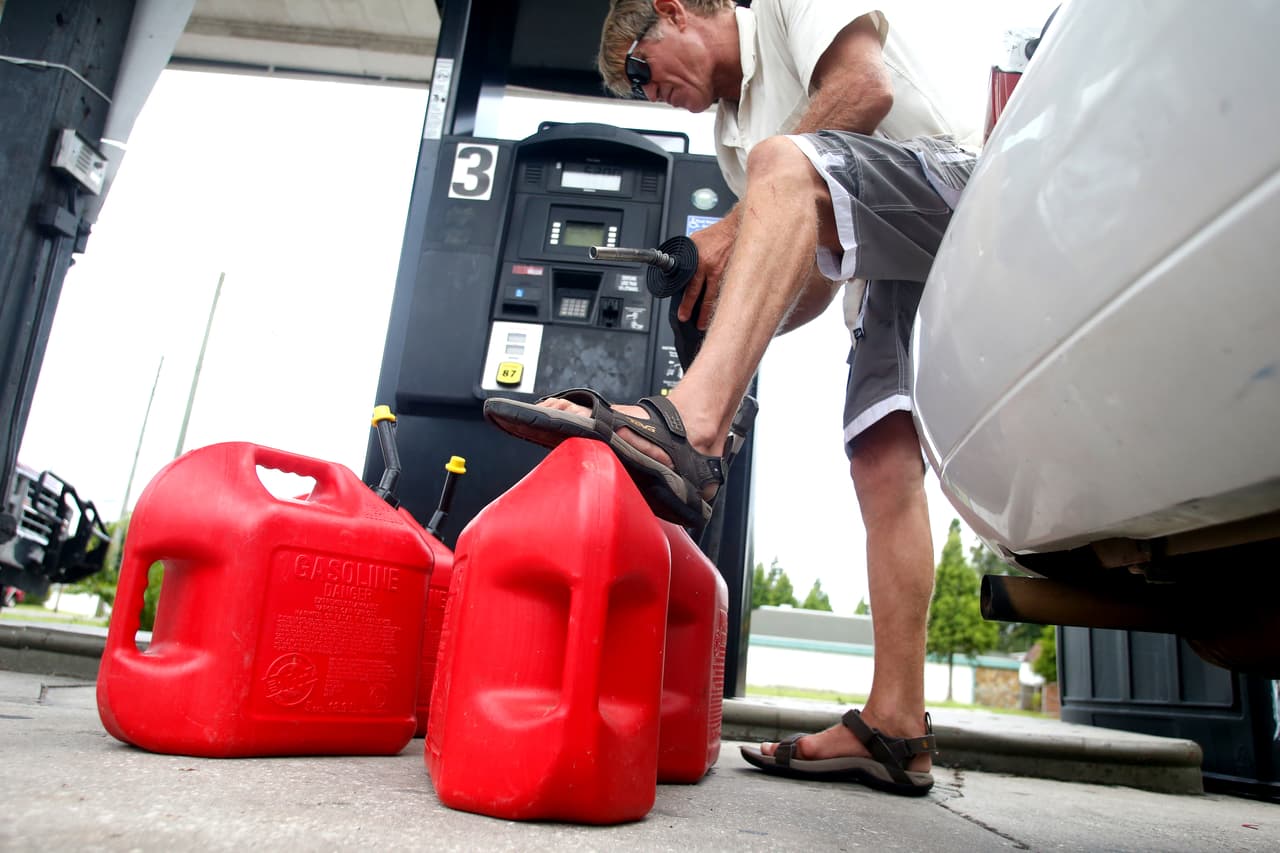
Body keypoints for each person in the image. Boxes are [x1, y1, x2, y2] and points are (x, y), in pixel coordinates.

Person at [483, 0, 976, 796]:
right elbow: (809, 281)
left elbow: (866, 88)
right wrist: (726, 316)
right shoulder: (731, 139)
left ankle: (694, 430)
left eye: (642, 71)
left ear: (675, 11)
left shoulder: (785, 11)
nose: (649, 96)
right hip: (891, 262)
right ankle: (896, 723)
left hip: (961, 189)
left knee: (785, 161)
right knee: (880, 459)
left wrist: (740, 230)